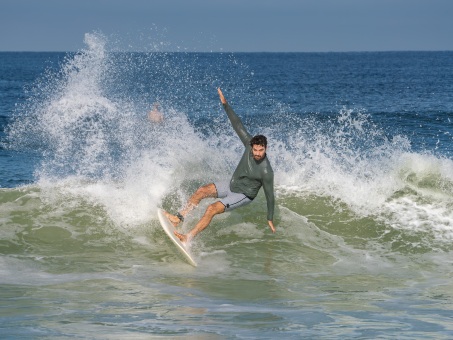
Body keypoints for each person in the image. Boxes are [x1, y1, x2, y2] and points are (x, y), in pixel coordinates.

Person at [165, 88, 276, 243]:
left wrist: (269, 218)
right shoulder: (248, 145)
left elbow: (270, 196)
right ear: (252, 146)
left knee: (211, 209)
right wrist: (225, 105)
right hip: (232, 184)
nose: (257, 153)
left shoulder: (266, 171)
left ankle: (188, 237)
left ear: (266, 149)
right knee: (201, 191)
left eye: (261, 150)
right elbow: (238, 125)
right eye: (255, 149)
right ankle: (178, 218)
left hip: (243, 195)